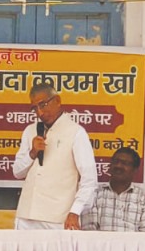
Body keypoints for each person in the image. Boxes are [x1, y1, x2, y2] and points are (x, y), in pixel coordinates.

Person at [12, 83, 98, 230]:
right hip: (26, 215)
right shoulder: (30, 131)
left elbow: (89, 179)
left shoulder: (76, 132)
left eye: (43, 105)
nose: (39, 113)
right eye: (34, 108)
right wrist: (32, 153)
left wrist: (75, 212)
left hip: (58, 218)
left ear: (57, 101)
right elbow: (17, 172)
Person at [82, 147, 145, 232]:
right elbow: (90, 232)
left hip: (133, 241)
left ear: (135, 170)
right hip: (100, 241)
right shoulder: (95, 193)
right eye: (115, 161)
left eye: (125, 163)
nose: (118, 166)